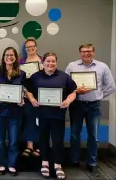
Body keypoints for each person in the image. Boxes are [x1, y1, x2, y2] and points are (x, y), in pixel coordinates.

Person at [65, 43, 115, 177]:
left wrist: (98, 95)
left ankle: (92, 162)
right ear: (79, 52)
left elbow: (111, 86)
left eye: (89, 51)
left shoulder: (102, 66)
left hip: (94, 105)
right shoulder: (72, 66)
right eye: (83, 51)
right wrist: (75, 91)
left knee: (93, 136)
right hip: (76, 104)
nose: (86, 54)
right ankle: (74, 160)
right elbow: (66, 84)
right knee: (75, 134)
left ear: (94, 52)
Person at [26, 52, 77, 180]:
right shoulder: (35, 76)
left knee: (57, 140)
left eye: (53, 61)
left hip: (58, 115)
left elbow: (73, 92)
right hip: (41, 114)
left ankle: (58, 164)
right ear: (43, 63)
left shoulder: (64, 77)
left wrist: (68, 101)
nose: (50, 63)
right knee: (42, 139)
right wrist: (31, 99)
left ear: (56, 62)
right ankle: (44, 163)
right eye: (48, 61)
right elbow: (28, 91)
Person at [0, 47, 26, 176]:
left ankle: (12, 164)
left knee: (13, 140)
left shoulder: (21, 73)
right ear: (3, 57)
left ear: (15, 57)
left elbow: (22, 90)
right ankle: (2, 163)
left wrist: (21, 98)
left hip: (15, 111)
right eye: (7, 55)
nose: (9, 57)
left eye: (12, 55)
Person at [19, 38, 42, 157]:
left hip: (42, 96)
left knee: (41, 121)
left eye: (32, 46)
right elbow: (20, 81)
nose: (30, 49)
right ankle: (30, 146)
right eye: (27, 47)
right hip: (27, 96)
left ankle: (41, 146)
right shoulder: (21, 62)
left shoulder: (43, 61)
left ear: (36, 47)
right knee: (29, 121)